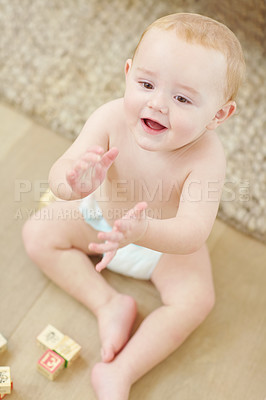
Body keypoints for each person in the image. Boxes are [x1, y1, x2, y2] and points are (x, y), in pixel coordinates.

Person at [22, 12, 245, 400]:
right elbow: (60, 173)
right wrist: (74, 182)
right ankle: (107, 304)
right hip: (99, 220)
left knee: (196, 300)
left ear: (219, 114)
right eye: (145, 83)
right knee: (37, 233)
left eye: (182, 98)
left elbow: (193, 232)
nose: (157, 104)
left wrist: (144, 231)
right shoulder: (110, 117)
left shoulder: (206, 158)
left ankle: (120, 372)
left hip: (164, 244)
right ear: (128, 73)